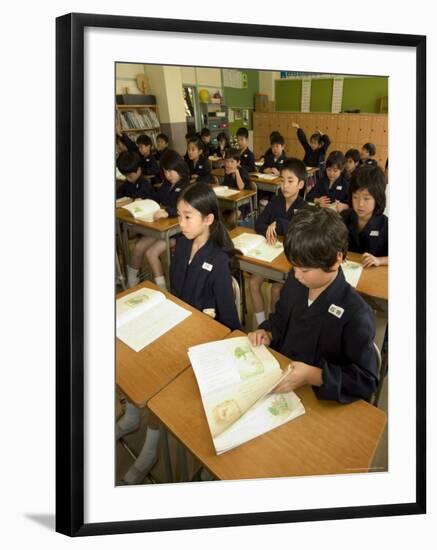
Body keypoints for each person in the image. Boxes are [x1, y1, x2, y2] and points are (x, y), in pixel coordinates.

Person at [120, 184, 240, 485]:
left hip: (205, 343)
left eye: (188, 217)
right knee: (135, 358)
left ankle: (149, 451)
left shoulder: (220, 261)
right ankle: (134, 415)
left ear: (209, 219)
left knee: (160, 383)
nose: (181, 223)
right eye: (179, 215)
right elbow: (177, 295)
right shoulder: (183, 243)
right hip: (180, 328)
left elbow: (231, 323)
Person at [248, 207, 379, 403]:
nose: (297, 275)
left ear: (336, 260)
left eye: (305, 269)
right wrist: (267, 333)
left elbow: (365, 380)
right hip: (283, 378)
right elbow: (280, 320)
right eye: (294, 266)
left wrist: (313, 375)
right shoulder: (296, 281)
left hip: (318, 397)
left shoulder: (356, 313)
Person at [249, 158, 307, 327]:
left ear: (301, 184)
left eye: (290, 181)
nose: (285, 186)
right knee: (253, 282)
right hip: (270, 255)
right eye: (283, 180)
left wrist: (279, 224)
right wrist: (269, 230)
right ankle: (262, 323)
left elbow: (300, 232)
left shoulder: (304, 208)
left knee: (276, 290)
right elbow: (259, 223)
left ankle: (274, 328)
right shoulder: (276, 201)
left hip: (288, 261)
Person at [125, 150, 190, 289]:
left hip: (178, 233)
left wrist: (168, 212)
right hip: (162, 228)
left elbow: (185, 209)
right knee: (138, 247)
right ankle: (131, 284)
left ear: (179, 168)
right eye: (165, 172)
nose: (168, 175)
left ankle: (162, 288)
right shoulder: (167, 183)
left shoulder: (187, 186)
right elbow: (157, 198)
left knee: (151, 252)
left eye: (171, 171)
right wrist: (144, 202)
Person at [340, 165, 388, 267]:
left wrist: (379, 260)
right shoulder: (344, 217)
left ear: (378, 198)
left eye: (366, 198)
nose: (360, 204)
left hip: (374, 276)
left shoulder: (386, 225)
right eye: (355, 197)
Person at [221, 148, 253, 227]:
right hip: (230, 201)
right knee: (216, 211)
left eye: (232, 162)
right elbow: (225, 186)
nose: (228, 164)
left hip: (243, 204)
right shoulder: (227, 172)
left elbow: (241, 187)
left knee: (233, 218)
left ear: (238, 162)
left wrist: (236, 172)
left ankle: (228, 232)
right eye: (227, 161)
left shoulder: (243, 172)